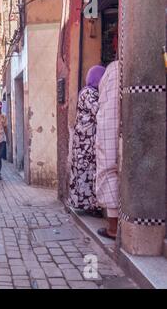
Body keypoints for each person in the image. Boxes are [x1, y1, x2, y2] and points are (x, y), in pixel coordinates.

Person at [68, 65, 106, 217]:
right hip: (86, 142)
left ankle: (88, 204)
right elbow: (98, 110)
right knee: (88, 172)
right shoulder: (89, 93)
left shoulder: (89, 92)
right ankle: (90, 206)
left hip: (84, 142)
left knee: (86, 172)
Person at [96, 60, 120, 240]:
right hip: (115, 134)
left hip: (109, 134)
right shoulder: (116, 70)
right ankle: (114, 227)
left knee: (110, 172)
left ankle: (114, 227)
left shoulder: (114, 70)